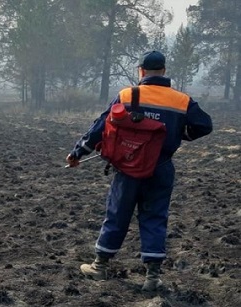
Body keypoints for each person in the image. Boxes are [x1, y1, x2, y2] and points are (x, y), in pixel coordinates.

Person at [66, 51, 212, 291]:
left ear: (141, 71)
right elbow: (205, 125)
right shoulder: (182, 100)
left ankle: (99, 267)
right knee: (155, 217)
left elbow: (100, 127)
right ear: (164, 71)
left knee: (117, 214)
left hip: (128, 168)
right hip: (162, 168)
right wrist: (182, 134)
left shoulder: (127, 95)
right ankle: (152, 278)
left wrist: (77, 153)